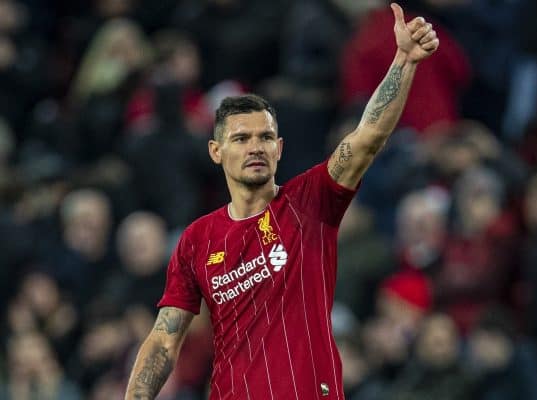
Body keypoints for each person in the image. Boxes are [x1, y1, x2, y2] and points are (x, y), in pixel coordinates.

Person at [124, 3, 439, 399]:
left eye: (265, 138)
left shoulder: (309, 202)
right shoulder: (196, 240)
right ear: (216, 151)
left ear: (279, 148)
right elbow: (164, 339)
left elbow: (366, 139)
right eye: (241, 138)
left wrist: (404, 62)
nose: (255, 147)